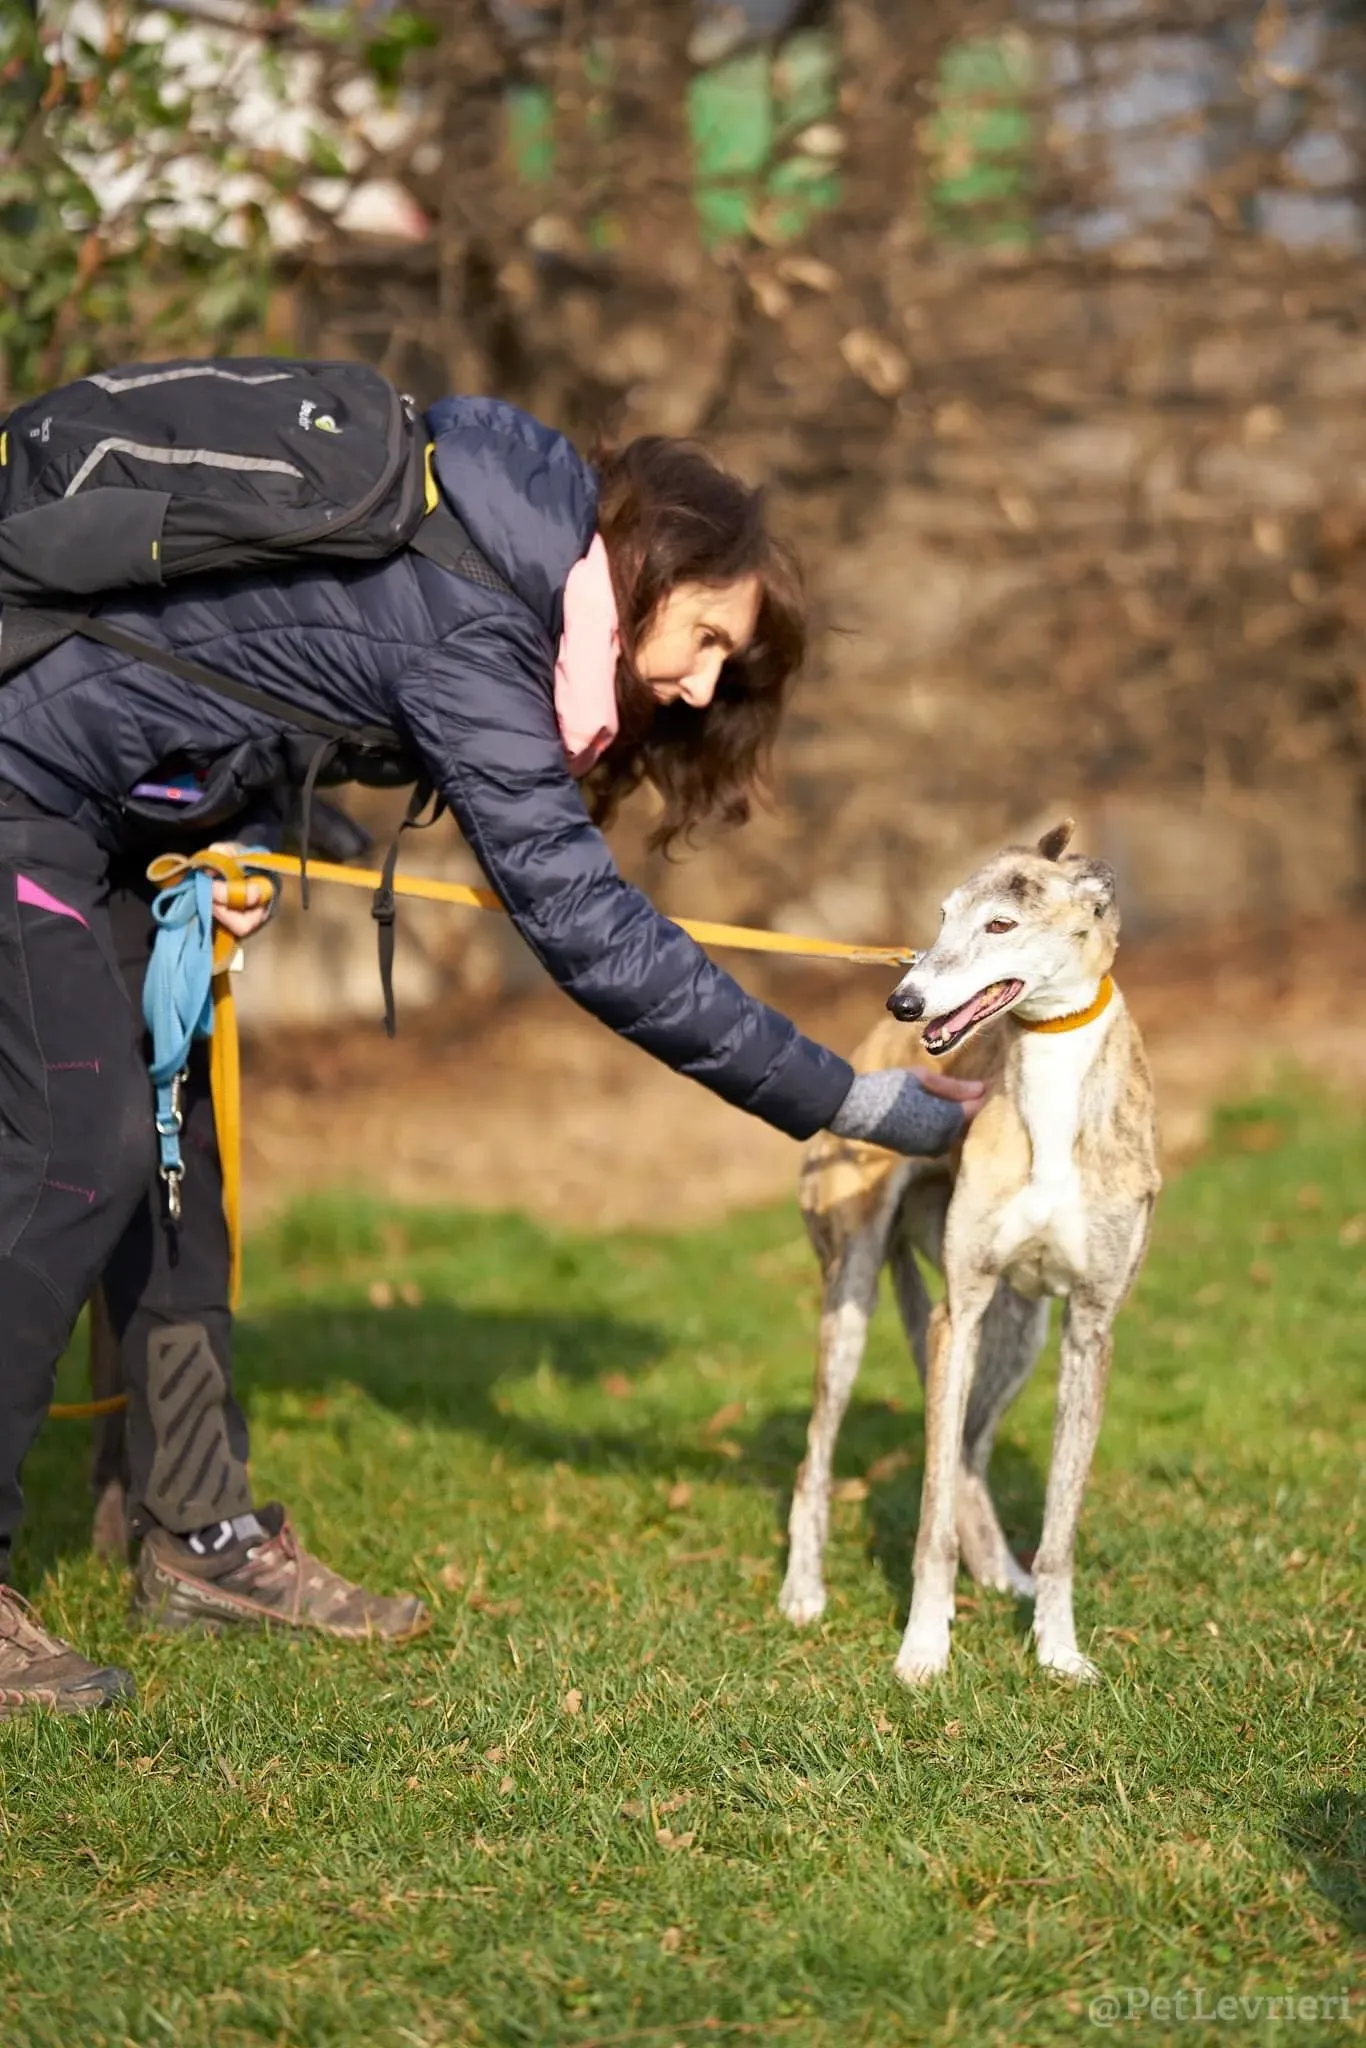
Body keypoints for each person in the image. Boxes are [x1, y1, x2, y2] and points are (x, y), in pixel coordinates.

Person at [0, 390, 983, 1717]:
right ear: (648, 571)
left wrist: (235, 826)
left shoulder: (493, 534)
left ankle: (200, 1538)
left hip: (102, 810)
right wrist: (848, 1099)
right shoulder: (481, 617)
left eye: (721, 670)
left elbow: (255, 652)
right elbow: (590, 935)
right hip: (20, 781)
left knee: (170, 1165)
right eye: (700, 641)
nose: (697, 687)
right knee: (79, 1151)